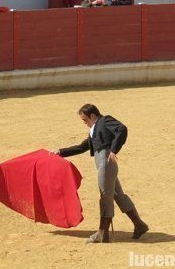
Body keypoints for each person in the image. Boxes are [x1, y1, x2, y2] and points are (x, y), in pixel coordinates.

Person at [50, 104, 149, 243]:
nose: (85, 123)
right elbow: (82, 147)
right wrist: (60, 152)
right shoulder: (94, 129)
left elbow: (122, 129)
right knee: (117, 194)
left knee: (105, 196)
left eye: (85, 120)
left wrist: (114, 149)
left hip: (106, 162)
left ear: (93, 116)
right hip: (102, 163)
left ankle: (102, 233)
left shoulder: (104, 120)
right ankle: (139, 225)